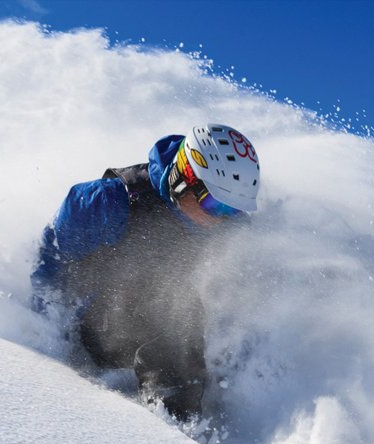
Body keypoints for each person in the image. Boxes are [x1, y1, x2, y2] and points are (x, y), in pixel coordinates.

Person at [31, 124, 260, 419]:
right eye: (214, 204)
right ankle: (170, 428)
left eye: (231, 210)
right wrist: (49, 340)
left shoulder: (230, 229)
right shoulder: (107, 203)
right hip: (96, 320)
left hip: (165, 329)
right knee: (177, 306)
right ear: (184, 177)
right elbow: (52, 259)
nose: (219, 219)